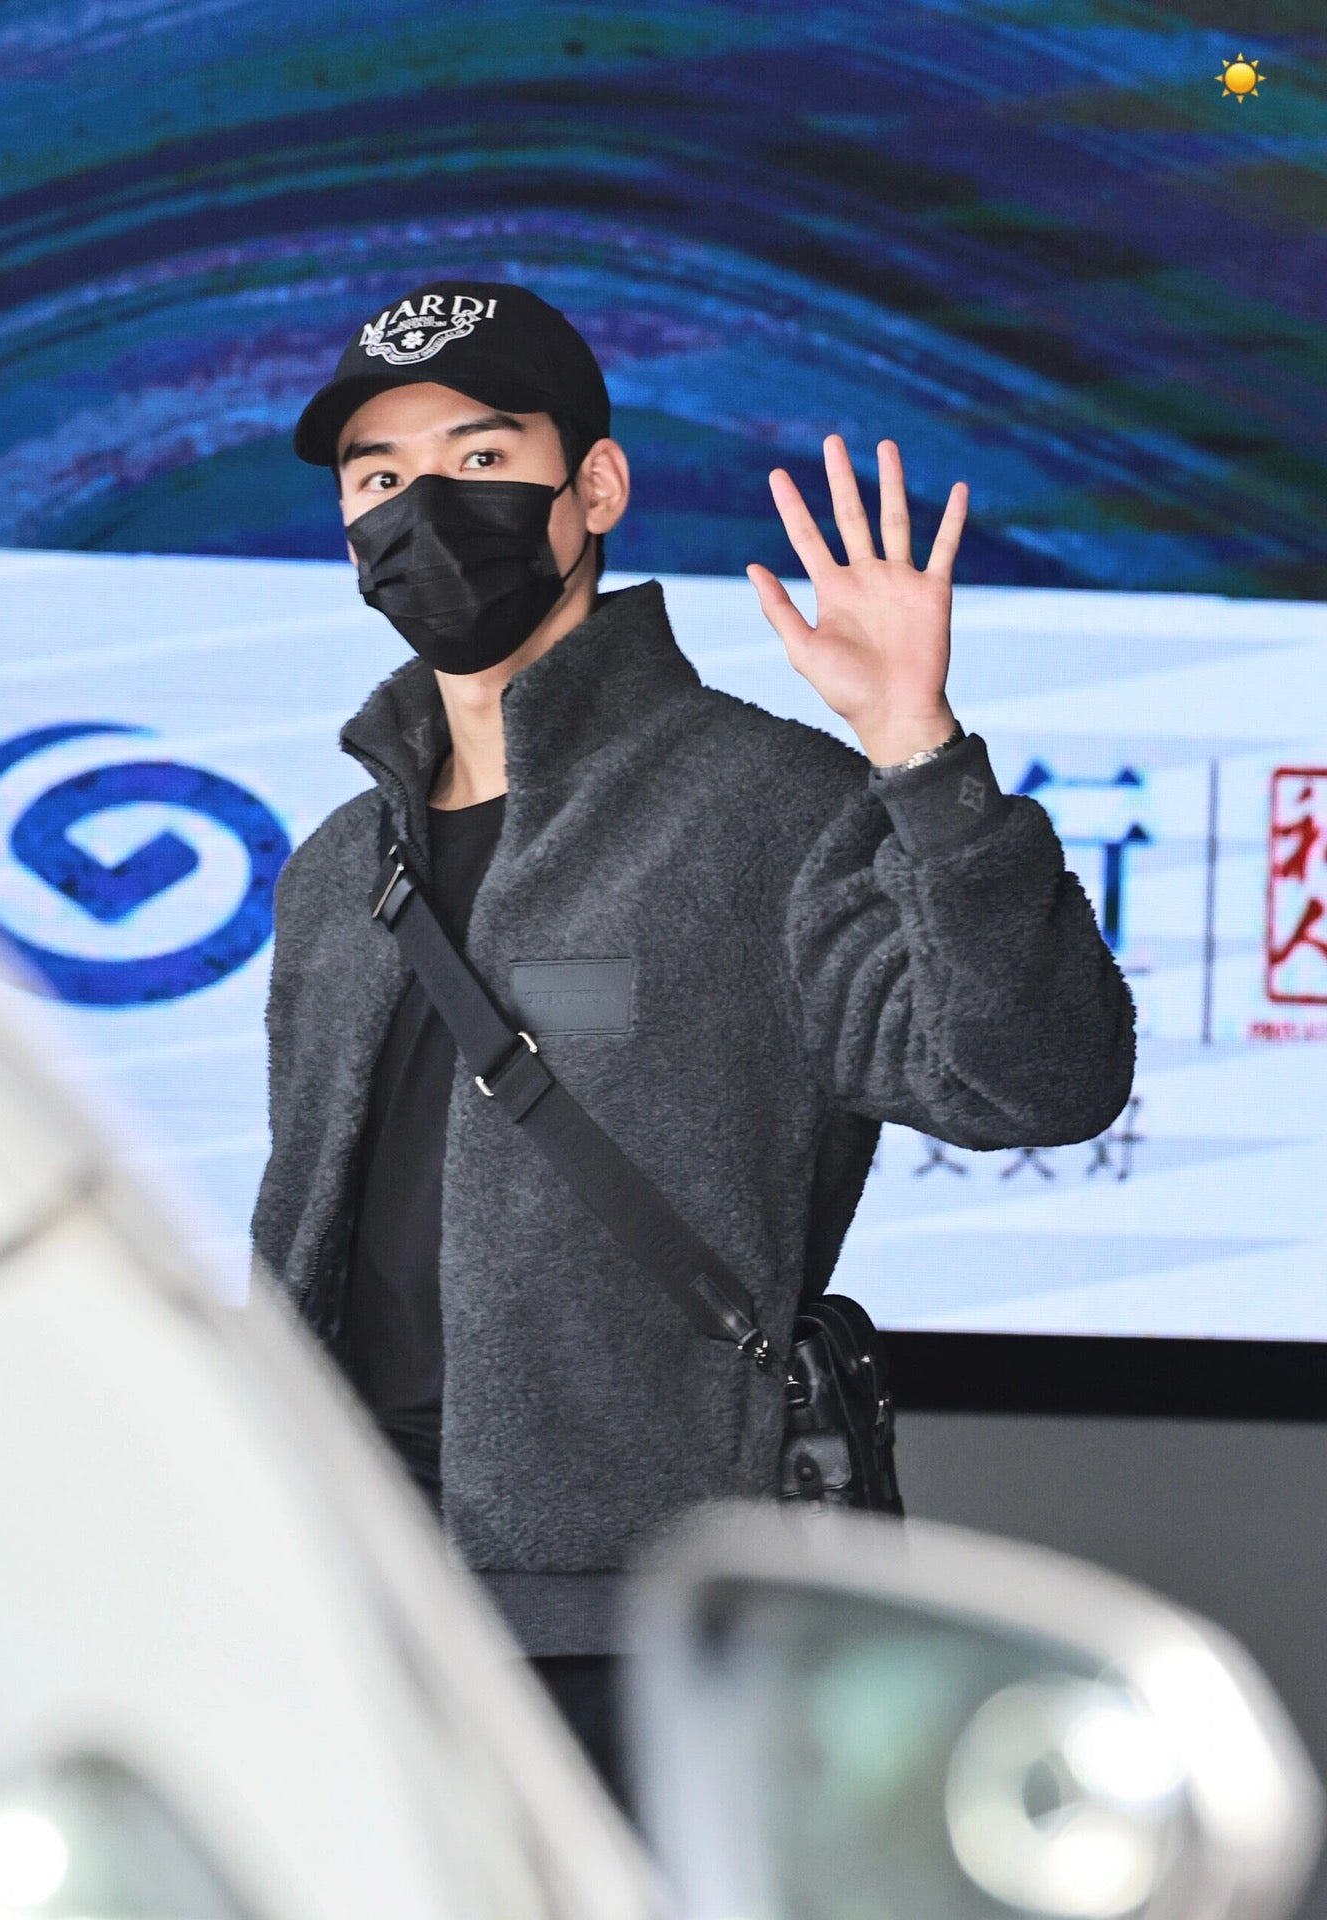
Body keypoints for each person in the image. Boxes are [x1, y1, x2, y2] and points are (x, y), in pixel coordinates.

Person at [250, 280, 1135, 1813]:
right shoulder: (338, 870)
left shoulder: (764, 808)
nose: (422, 512)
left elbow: (1038, 1075)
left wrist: (919, 753)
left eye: (479, 459)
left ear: (594, 488)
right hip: (339, 1609)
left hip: (637, 1627)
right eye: (378, 477)